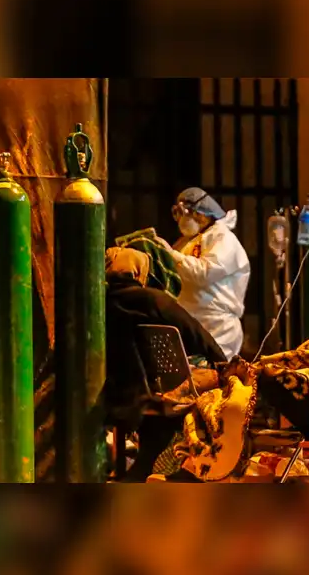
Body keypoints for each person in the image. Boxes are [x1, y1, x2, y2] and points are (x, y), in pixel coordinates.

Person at [104, 246, 227, 482]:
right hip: (160, 390)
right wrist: (226, 365)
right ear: (138, 271)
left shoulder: (100, 304)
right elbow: (198, 336)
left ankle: (146, 467)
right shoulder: (153, 299)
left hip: (120, 391)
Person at [156, 188, 251, 361]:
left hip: (217, 327)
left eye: (183, 213)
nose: (179, 220)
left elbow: (204, 273)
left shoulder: (223, 239)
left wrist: (171, 254)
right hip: (191, 325)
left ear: (199, 214)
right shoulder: (189, 241)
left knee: (211, 379)